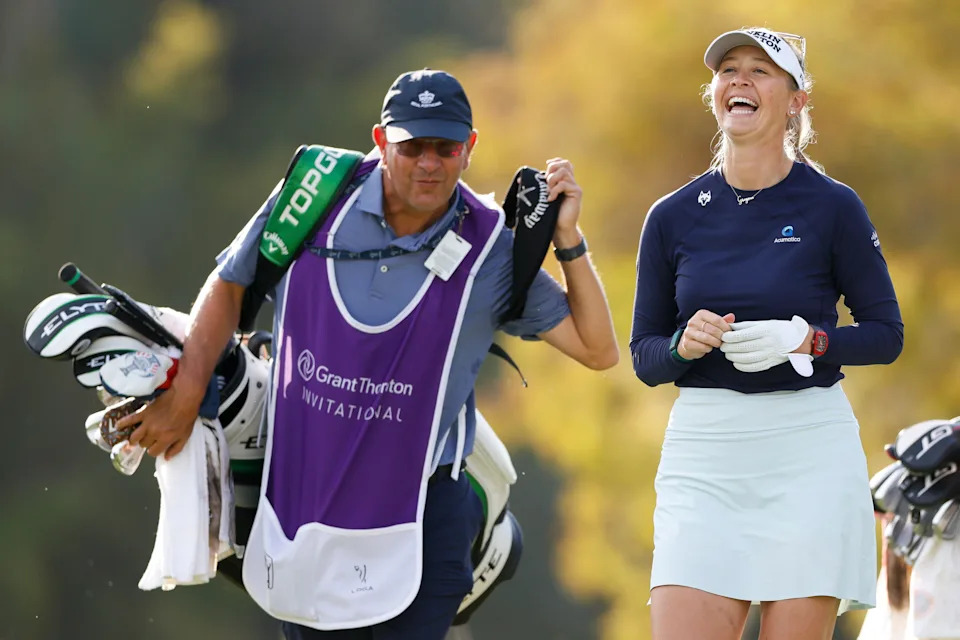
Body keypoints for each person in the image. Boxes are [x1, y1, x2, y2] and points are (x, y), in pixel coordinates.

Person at [119, 68, 619, 639]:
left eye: (445, 147)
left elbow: (598, 349)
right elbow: (232, 285)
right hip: (305, 497)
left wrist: (569, 240)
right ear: (382, 141)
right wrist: (186, 395)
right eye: (411, 147)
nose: (429, 162)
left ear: (469, 148)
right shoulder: (314, 196)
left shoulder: (492, 247)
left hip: (426, 509)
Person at [629, 28, 903, 640]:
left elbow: (886, 334)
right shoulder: (672, 216)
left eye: (761, 70)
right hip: (704, 456)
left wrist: (810, 341)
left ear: (796, 100)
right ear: (715, 93)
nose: (741, 80)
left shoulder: (834, 207)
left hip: (808, 451)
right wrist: (682, 345)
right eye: (730, 70)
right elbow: (645, 357)